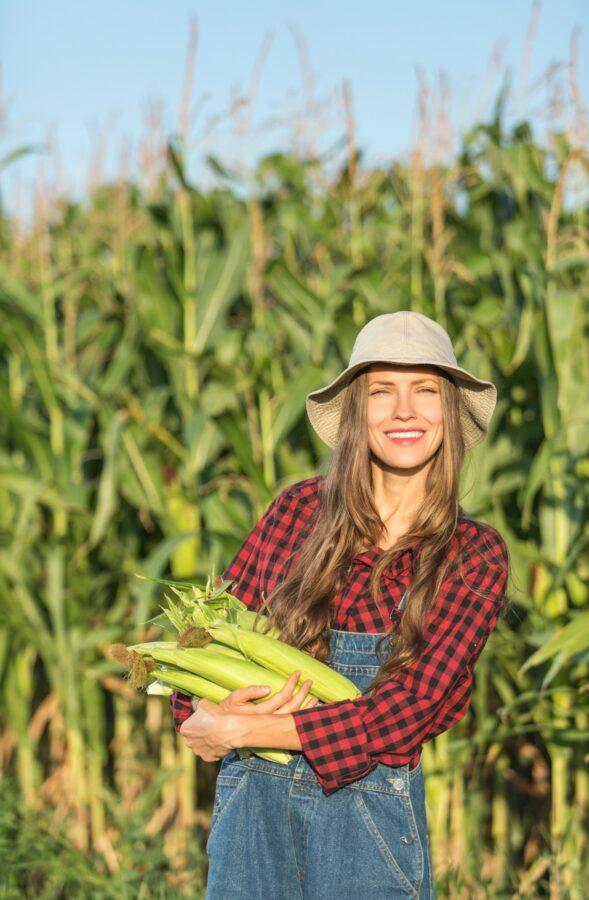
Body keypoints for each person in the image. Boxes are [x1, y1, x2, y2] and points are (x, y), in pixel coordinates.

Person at [169, 310, 510, 899]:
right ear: (357, 411)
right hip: (253, 818)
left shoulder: (473, 555)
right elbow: (203, 641)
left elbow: (408, 711)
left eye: (425, 390)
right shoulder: (298, 511)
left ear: (449, 413)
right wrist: (195, 716)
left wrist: (250, 729)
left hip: (367, 824)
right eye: (383, 391)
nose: (404, 409)